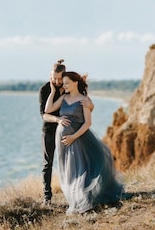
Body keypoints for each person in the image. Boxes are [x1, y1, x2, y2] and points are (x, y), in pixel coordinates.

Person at [45, 70, 123, 214]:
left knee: (80, 169)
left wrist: (73, 137)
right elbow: (48, 109)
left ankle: (84, 200)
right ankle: (74, 200)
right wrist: (53, 90)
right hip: (62, 141)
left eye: (67, 83)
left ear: (75, 83)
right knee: (68, 171)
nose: (65, 85)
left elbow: (87, 123)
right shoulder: (63, 98)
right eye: (64, 83)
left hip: (78, 138)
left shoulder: (84, 100)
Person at [38, 59, 94, 205]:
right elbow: (44, 114)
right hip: (50, 130)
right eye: (53, 78)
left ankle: (78, 192)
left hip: (71, 132)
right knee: (47, 162)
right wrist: (58, 120)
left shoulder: (69, 86)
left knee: (73, 163)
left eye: (58, 78)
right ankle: (47, 197)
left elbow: (85, 104)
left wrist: (91, 106)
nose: (56, 81)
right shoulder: (45, 89)